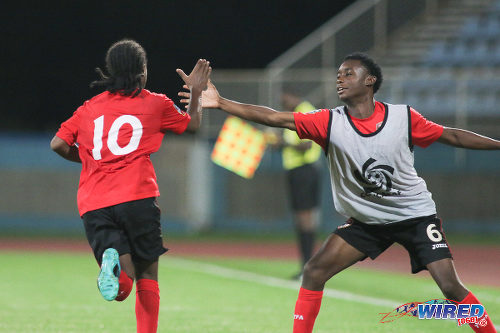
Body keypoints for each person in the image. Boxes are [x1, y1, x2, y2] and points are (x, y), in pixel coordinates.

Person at [179, 52, 497, 333]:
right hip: (367, 222)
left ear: (370, 80)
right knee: (314, 272)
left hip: (414, 217)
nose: (340, 79)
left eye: (349, 73)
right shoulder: (329, 122)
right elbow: (274, 118)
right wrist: (221, 102)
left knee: (450, 287)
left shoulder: (403, 118)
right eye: (338, 75)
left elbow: (452, 136)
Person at [50, 39, 211, 333]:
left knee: (123, 282)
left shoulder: (89, 108)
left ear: (111, 71)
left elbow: (58, 143)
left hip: (94, 203)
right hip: (137, 197)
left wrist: (88, 160)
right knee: (147, 275)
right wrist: (197, 92)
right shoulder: (155, 103)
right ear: (143, 72)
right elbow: (193, 125)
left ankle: (120, 276)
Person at [271, 90, 322, 279]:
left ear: (294, 95)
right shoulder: (295, 115)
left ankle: (309, 267)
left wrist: (283, 143)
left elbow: (306, 145)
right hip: (297, 171)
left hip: (305, 170)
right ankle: (306, 266)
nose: (284, 104)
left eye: (285, 99)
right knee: (301, 220)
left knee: (305, 219)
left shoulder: (305, 112)